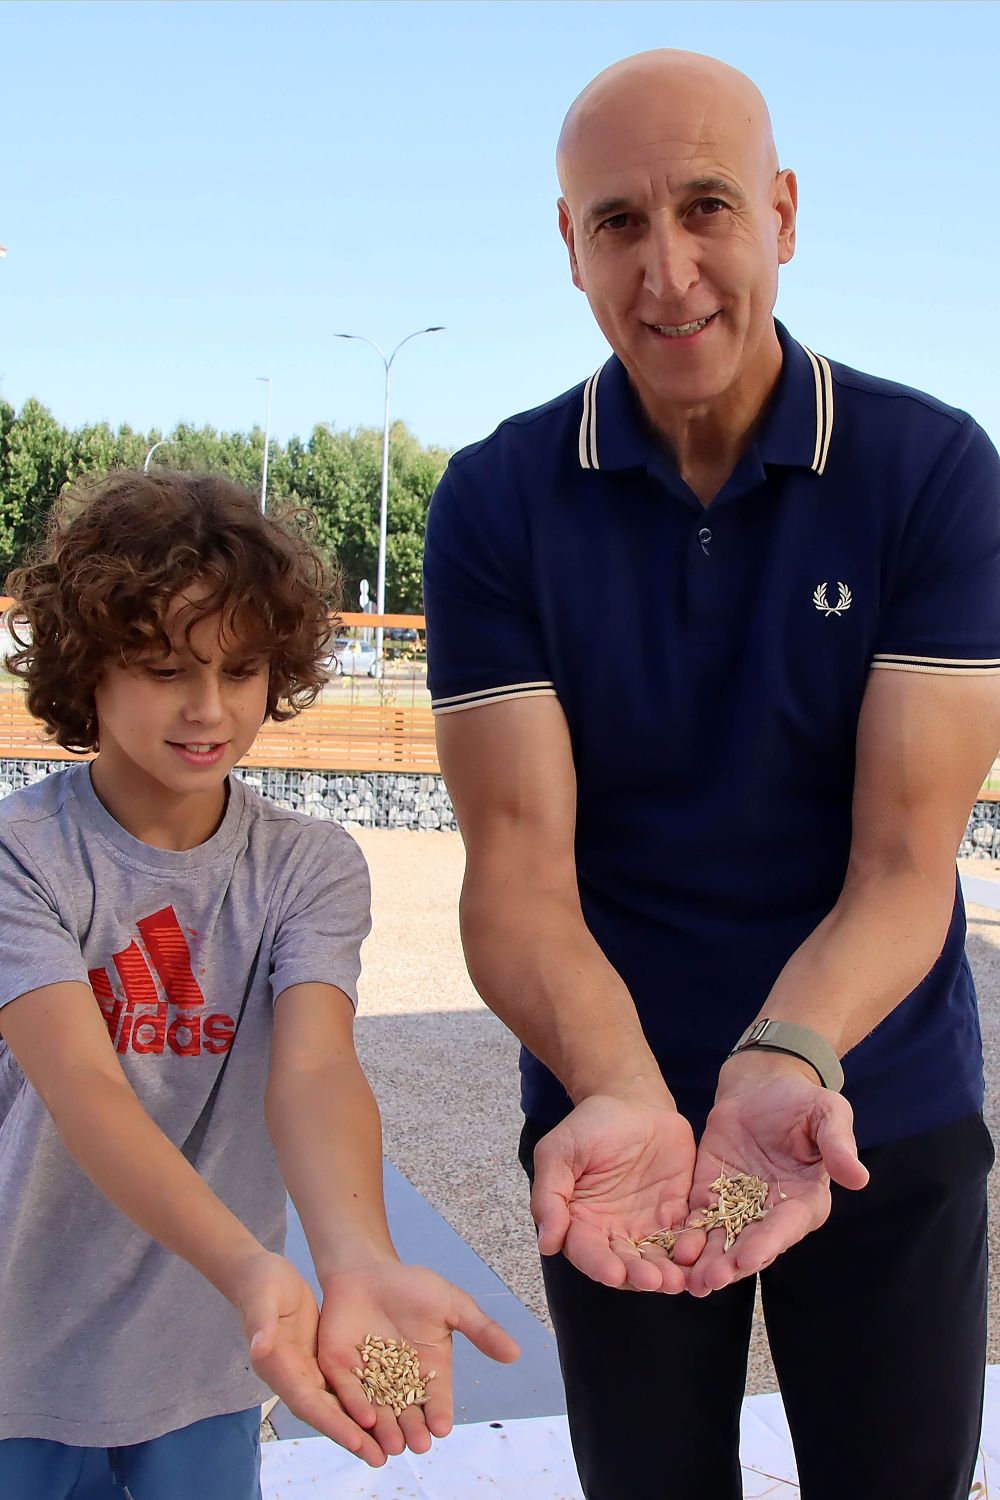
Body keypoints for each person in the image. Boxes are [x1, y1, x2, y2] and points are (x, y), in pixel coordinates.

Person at [423, 47, 1000, 1500]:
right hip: (616, 1125)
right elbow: (518, 877)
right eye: (618, 222)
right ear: (569, 244)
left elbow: (903, 864)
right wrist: (621, 1088)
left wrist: (784, 1061)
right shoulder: (496, 500)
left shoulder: (932, 472)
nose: (669, 271)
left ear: (784, 214)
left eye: (708, 209)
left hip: (863, 1104)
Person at [0, 470, 518, 1500]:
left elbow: (315, 1070)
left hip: (214, 1359)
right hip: (22, 1353)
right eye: (162, 669)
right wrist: (248, 1267)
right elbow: (86, 1090)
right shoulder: (24, 857)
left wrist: (356, 1255)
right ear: (85, 670)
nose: (209, 711)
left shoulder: (307, 866)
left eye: (240, 671)